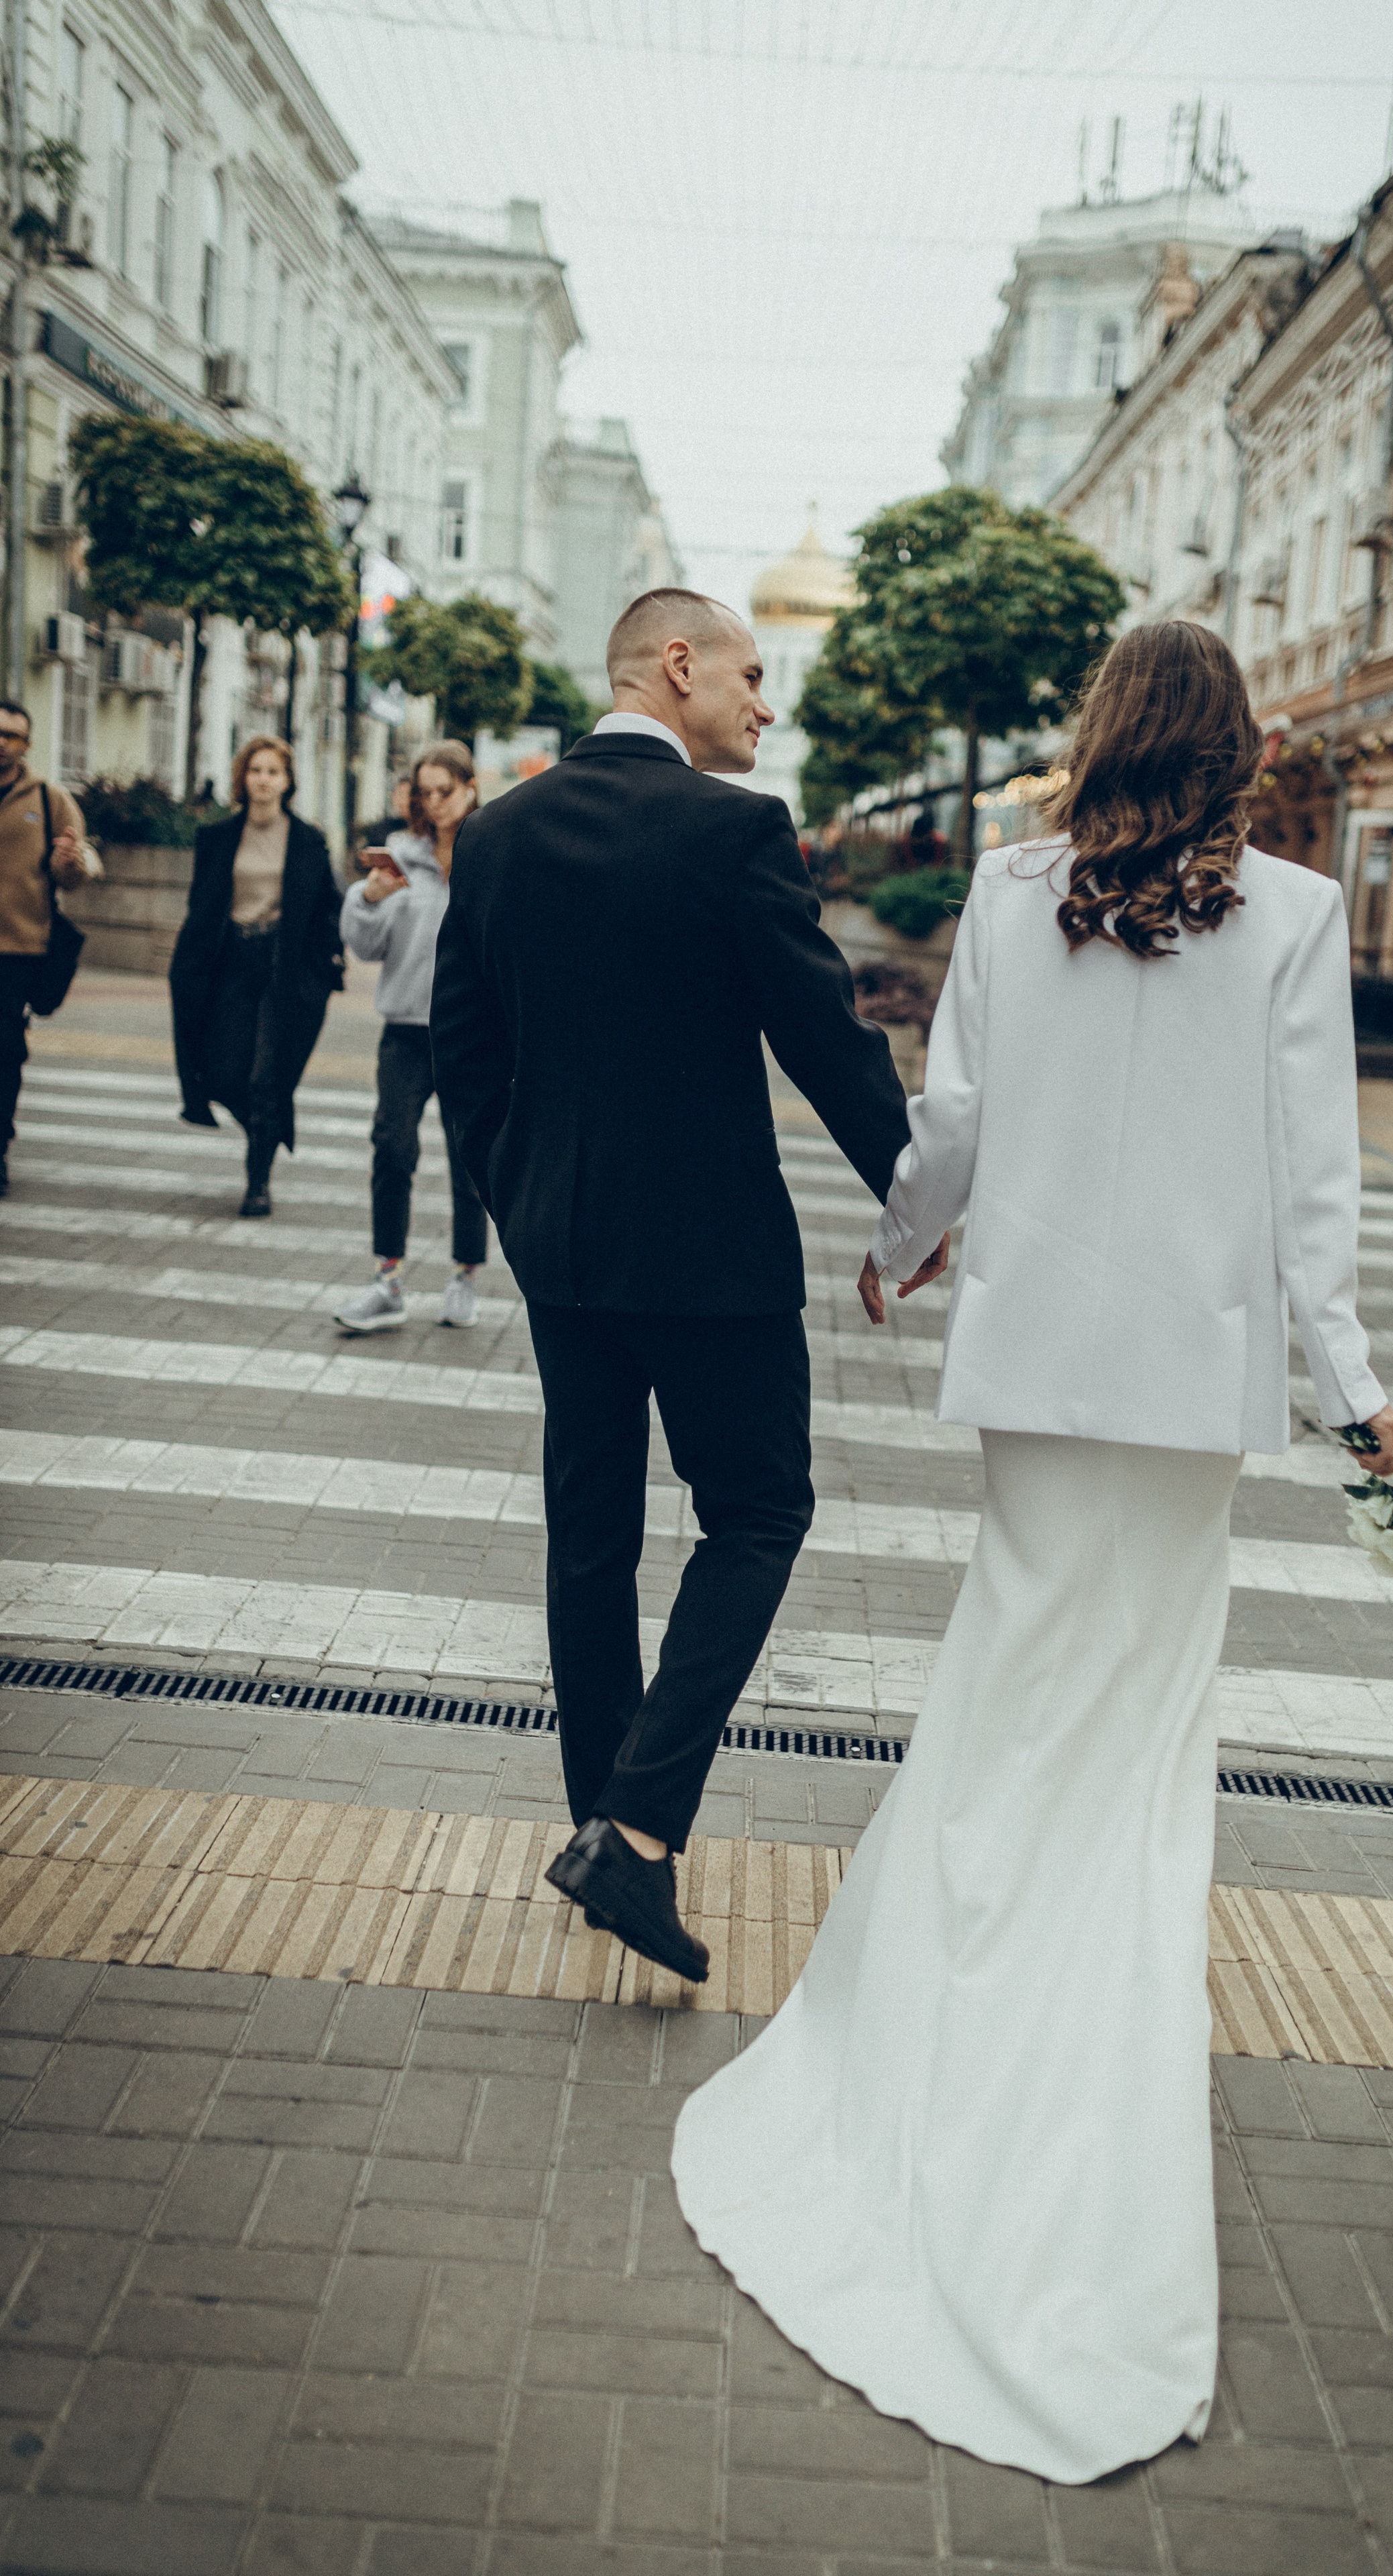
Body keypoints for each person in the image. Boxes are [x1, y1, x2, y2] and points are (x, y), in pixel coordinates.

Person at [671, 621, 1393, 2484]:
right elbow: (1312, 1186)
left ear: (1099, 733)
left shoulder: (1010, 894)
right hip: (1191, 1389)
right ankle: (1086, 2047)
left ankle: (943, 2011)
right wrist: (1358, 1394)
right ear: (1236, 749)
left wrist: (902, 1243)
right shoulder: (1300, 917)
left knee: (1008, 1688)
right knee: (1140, 1730)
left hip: (1040, 1372)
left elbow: (958, 1126)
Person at [432, 588, 915, 1980]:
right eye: (755, 679)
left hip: (564, 1254)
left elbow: (469, 1049)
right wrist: (920, 1198)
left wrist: (518, 1200)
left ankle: (604, 1828)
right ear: (676, 663)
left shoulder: (500, 832)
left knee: (588, 1537)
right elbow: (823, 1038)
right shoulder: (734, 831)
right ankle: (634, 1830)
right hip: (713, 1261)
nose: (769, 707)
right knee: (758, 1513)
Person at [333, 740, 488, 1332]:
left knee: (470, 1159)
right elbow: (367, 946)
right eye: (424, 791)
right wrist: (369, 901)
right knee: (392, 1148)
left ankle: (465, 1276)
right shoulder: (402, 857)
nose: (434, 802)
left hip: (472, 1037)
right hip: (405, 1031)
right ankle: (387, 1279)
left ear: (470, 787)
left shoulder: (493, 854)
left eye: (445, 790)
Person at [170, 736, 343, 1218]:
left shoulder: (308, 840)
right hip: (230, 961)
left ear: (287, 782)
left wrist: (326, 961)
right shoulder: (218, 837)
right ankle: (265, 1127)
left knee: (268, 1076)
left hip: (283, 968)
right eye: (255, 770)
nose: (263, 780)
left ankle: (258, 1182)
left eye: (273, 772)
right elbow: (201, 906)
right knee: (224, 1073)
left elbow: (328, 905)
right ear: (242, 778)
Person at [0, 699, 91, 1197]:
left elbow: (75, 876)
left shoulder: (48, 799)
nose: (2, 742)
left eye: (12, 735)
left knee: (5, 1055)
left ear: (27, 745)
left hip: (19, 949)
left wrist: (69, 861)